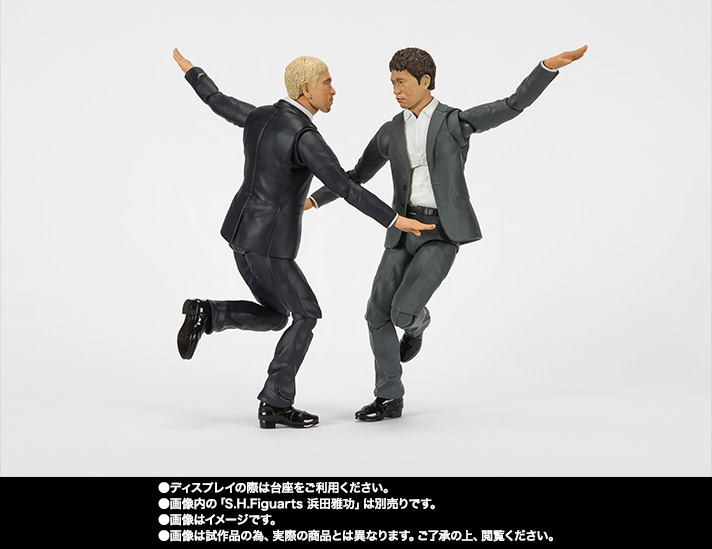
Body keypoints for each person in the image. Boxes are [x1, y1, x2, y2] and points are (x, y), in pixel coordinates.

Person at [307, 45, 587, 421]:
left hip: (440, 234)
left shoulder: (455, 123)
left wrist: (546, 68)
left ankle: (418, 324)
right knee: (376, 313)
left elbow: (512, 104)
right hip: (401, 231)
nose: (396, 90)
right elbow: (356, 175)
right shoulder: (390, 131)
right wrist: (314, 200)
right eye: (392, 82)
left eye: (402, 82)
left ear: (425, 81)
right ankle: (389, 397)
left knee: (402, 313)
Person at [172, 48, 434, 429]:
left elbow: (217, 100)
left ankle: (209, 314)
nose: (333, 90)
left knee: (278, 315)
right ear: (307, 89)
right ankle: (275, 402)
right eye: (328, 83)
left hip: (239, 234)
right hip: (270, 245)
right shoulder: (304, 137)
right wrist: (395, 219)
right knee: (306, 313)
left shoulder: (261, 116)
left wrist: (193, 72)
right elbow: (346, 186)